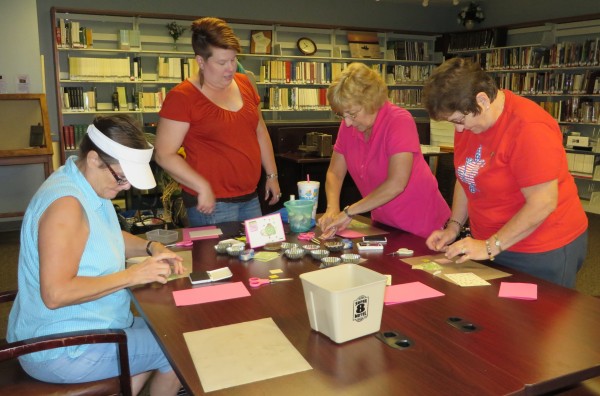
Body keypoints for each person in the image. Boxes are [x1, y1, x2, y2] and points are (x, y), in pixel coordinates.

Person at [7, 115, 184, 395]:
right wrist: (131, 275)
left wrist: (150, 247)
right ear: (93, 159)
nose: (126, 187)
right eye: (122, 177)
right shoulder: (66, 206)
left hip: (82, 327)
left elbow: (105, 237)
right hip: (62, 349)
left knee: (165, 328)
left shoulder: (84, 185)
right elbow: (56, 294)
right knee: (178, 348)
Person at [423, 57, 588, 288]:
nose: (459, 129)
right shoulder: (472, 122)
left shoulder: (529, 127)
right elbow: (467, 177)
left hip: (540, 248)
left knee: (539, 322)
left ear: (482, 100)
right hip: (492, 244)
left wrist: (490, 246)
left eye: (460, 120)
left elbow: (543, 203)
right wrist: (454, 226)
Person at [155, 17, 281, 226]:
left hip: (250, 197)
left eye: (233, 60)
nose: (230, 68)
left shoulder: (245, 84)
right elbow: (163, 154)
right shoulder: (183, 97)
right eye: (222, 62)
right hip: (212, 203)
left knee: (258, 257)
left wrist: (272, 174)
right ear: (201, 61)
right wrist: (201, 186)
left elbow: (260, 132)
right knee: (217, 260)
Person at [318, 62, 450, 239]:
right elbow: (335, 173)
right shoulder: (349, 125)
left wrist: (349, 212)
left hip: (424, 225)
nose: (347, 122)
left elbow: (396, 183)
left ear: (371, 102)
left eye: (352, 114)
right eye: (342, 115)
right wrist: (332, 209)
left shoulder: (399, 121)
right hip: (384, 224)